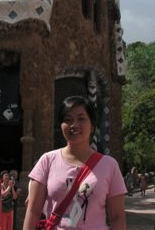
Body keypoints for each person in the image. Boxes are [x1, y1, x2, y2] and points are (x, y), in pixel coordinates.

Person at [23, 95, 127, 230]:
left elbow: (117, 217)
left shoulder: (109, 165)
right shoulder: (47, 161)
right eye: (68, 119)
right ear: (61, 125)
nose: (74, 125)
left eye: (81, 119)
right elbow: (33, 212)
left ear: (92, 125)